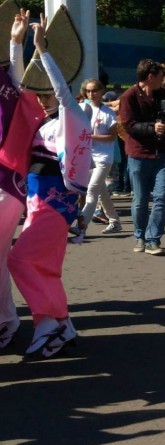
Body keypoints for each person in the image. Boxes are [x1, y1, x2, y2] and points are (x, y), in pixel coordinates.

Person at [4, 10, 92, 357]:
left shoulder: (72, 115)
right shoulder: (40, 119)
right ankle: (62, 324)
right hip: (39, 200)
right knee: (45, 266)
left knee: (20, 261)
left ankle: (49, 322)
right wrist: (16, 43)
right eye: (39, 95)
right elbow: (17, 85)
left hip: (55, 202)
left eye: (48, 94)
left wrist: (43, 51)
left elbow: (61, 93)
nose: (42, 98)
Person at [119, 58, 165, 255]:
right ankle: (140, 237)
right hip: (138, 154)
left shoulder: (162, 94)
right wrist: (152, 127)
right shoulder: (129, 96)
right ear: (151, 77)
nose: (163, 80)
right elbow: (129, 125)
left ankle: (154, 239)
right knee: (140, 199)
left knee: (161, 198)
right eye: (161, 76)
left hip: (162, 153)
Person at [76, 78, 121, 236]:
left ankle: (82, 224)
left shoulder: (108, 113)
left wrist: (91, 136)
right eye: (88, 91)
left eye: (94, 90)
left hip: (104, 157)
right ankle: (115, 221)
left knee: (92, 189)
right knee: (102, 192)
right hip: (87, 157)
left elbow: (112, 137)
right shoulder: (82, 109)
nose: (91, 94)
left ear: (101, 91)